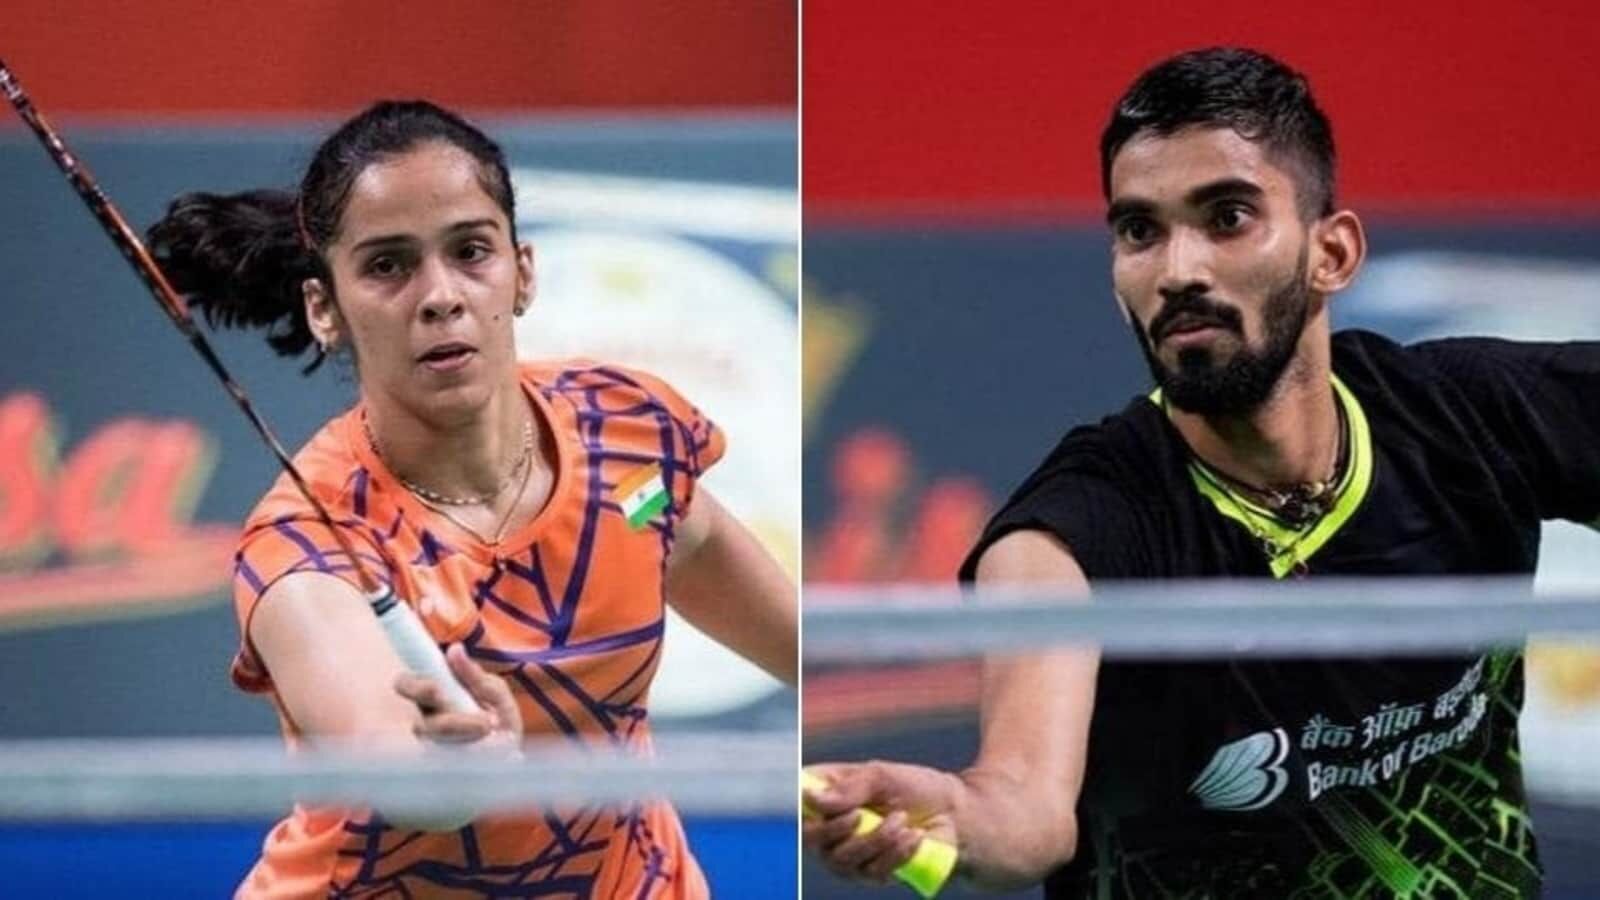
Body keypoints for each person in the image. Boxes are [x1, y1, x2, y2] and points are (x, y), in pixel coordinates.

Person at [804, 47, 1596, 897]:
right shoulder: (1067, 538)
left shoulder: (1469, 417)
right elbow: (1027, 812)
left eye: (1228, 217)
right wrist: (961, 815)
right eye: (1140, 231)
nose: (1178, 270)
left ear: (1331, 253)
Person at [148, 100, 797, 899]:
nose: (440, 296)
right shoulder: (304, 548)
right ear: (324, 307)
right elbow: (393, 766)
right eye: (388, 266)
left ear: (522, 272)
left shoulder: (626, 432)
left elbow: (801, 644)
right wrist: (454, 767)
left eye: (470, 251)